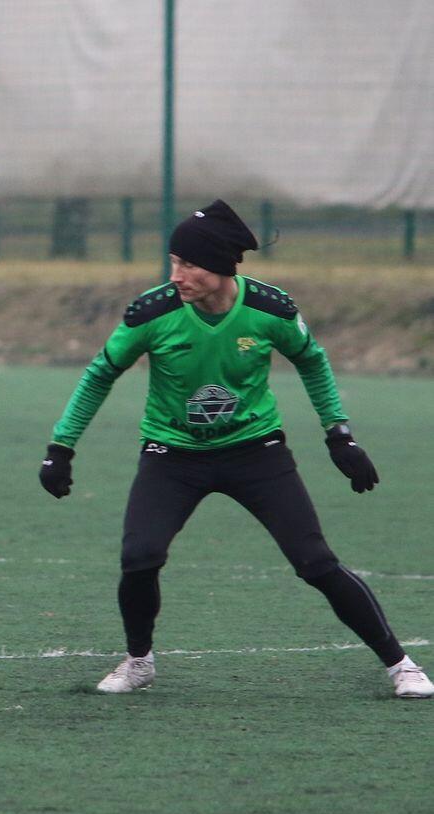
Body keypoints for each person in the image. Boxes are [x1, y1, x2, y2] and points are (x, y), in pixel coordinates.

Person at [39, 199, 433, 699]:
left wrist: (339, 434)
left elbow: (312, 360)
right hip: (172, 456)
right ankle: (138, 662)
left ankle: (401, 665)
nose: (176, 276)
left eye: (189, 265)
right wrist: (61, 447)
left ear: (222, 266)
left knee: (314, 561)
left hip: (256, 453)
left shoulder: (270, 309)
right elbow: (100, 374)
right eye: (174, 262)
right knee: (140, 556)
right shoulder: (152, 313)